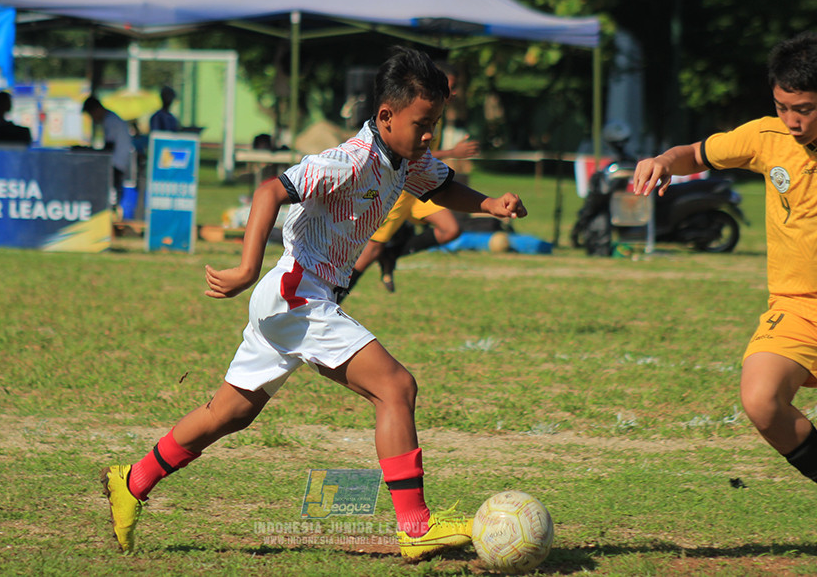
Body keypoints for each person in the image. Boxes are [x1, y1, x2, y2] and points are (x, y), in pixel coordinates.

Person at [100, 46, 527, 560]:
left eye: (435, 122)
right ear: (386, 116)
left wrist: (487, 203)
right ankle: (414, 527)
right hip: (296, 293)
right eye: (424, 123)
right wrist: (245, 266)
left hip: (293, 297)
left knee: (229, 412)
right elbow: (268, 191)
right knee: (396, 387)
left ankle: (133, 480)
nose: (431, 135)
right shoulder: (350, 160)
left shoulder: (405, 158)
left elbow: (442, 187)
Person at [633, 30, 817, 552]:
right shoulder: (767, 137)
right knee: (761, 399)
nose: (793, 120)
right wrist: (663, 162)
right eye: (782, 106)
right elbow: (695, 153)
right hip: (794, 304)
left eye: (805, 109)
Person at [344, 63, 480, 296]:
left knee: (451, 229)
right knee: (371, 250)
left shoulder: (436, 114)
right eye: (450, 86)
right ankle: (336, 298)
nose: (454, 93)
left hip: (420, 188)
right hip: (401, 187)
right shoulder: (415, 112)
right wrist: (451, 153)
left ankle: (393, 252)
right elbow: (409, 155)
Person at [83, 96, 134, 210]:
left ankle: (112, 213)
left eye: (92, 115)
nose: (94, 119)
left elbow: (109, 148)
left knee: (111, 194)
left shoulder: (110, 120)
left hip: (116, 163)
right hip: (120, 162)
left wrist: (90, 153)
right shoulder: (112, 118)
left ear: (96, 110)